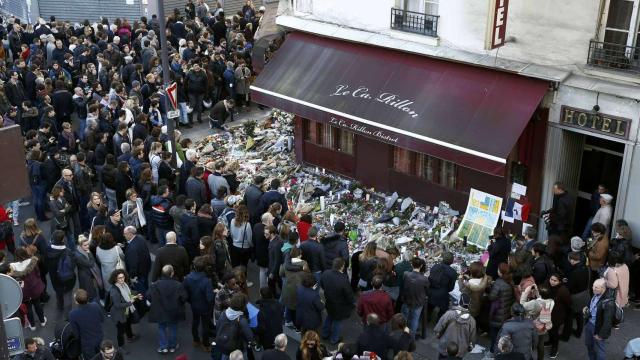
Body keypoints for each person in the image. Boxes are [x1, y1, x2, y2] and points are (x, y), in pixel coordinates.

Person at [147, 264, 187, 354]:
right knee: (173, 328)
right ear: (172, 273)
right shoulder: (178, 285)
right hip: (174, 311)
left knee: (161, 328)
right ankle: (173, 346)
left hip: (160, 311)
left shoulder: (155, 285)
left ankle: (163, 347)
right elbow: (184, 297)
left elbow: (148, 296)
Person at [183, 256, 215, 352]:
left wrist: (190, 301)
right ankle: (205, 344)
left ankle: (196, 340)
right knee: (205, 326)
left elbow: (185, 292)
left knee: (195, 322)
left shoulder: (188, 278)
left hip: (194, 304)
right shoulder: (206, 281)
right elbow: (210, 298)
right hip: (205, 307)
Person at [321, 257, 355, 344]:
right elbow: (349, 295)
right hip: (340, 306)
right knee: (337, 322)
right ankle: (334, 339)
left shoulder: (325, 273)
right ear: (342, 266)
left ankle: (324, 334)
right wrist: (352, 304)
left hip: (329, 301)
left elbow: (322, 284)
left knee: (329, 317)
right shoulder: (343, 279)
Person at [107, 269, 141, 352]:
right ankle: (120, 346)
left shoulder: (124, 285)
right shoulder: (114, 291)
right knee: (120, 331)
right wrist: (130, 302)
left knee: (128, 323)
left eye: (123, 277)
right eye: (119, 278)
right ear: (115, 279)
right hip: (119, 314)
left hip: (126, 311)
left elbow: (128, 293)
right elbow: (117, 305)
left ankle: (130, 336)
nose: (122, 279)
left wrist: (136, 295)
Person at [434, 294, 476, 359]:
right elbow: (472, 339)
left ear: (459, 301)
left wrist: (438, 335)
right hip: (460, 350)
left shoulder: (449, 314)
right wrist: (471, 346)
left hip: (446, 347)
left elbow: (438, 329)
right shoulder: (472, 321)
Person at [519, 284, 554, 360]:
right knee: (541, 344)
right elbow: (542, 300)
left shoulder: (534, 303)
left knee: (528, 343)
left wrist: (526, 292)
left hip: (534, 326)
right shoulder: (551, 301)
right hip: (543, 326)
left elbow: (522, 305)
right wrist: (538, 293)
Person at [584, 279, 616, 360]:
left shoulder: (609, 302)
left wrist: (601, 335)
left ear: (603, 288)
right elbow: (593, 303)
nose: (593, 288)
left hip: (598, 328)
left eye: (596, 287)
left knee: (600, 350)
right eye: (593, 286)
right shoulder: (597, 293)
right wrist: (587, 307)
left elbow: (608, 322)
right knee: (589, 345)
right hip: (589, 324)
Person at [216, 293, 254, 360]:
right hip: (237, 348)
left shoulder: (223, 313)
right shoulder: (242, 320)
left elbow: (218, 327)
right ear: (242, 306)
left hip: (224, 344)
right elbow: (250, 336)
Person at [45, 230, 76, 313]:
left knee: (58, 292)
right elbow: (72, 266)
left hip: (54, 278)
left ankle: (60, 306)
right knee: (67, 296)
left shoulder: (48, 249)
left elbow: (45, 262)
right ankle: (68, 313)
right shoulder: (68, 252)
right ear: (62, 240)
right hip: (67, 279)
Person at [69, 289, 104, 359]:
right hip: (99, 337)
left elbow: (76, 333)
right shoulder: (95, 305)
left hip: (87, 343)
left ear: (76, 301)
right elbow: (102, 319)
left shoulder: (73, 314)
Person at [488, 263, 515, 353]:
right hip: (506, 313)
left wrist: (490, 288)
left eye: (498, 270)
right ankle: (500, 350)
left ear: (501, 272)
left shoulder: (498, 283)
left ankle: (493, 351)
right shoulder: (510, 281)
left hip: (497, 314)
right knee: (501, 335)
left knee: (494, 335)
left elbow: (492, 297)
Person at [401, 257, 429, 337]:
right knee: (414, 320)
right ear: (421, 266)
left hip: (407, 300)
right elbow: (427, 291)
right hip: (418, 302)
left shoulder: (406, 274)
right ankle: (411, 337)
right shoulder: (424, 279)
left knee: (405, 318)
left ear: (412, 265)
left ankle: (403, 333)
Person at [565, 251, 590, 338]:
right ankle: (579, 332)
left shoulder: (575, 272)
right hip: (584, 295)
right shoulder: (586, 268)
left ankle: (566, 334)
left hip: (575, 297)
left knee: (569, 316)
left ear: (572, 260)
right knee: (579, 315)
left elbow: (570, 286)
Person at [428, 251, 458, 322]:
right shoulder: (453, 272)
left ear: (442, 259)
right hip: (442, 294)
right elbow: (451, 288)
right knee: (444, 309)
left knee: (429, 307)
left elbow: (430, 278)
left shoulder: (435, 266)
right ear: (452, 261)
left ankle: (427, 318)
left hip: (431, 292)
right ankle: (439, 322)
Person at [548, 273, 571, 358]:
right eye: (551, 279)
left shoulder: (563, 290)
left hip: (557, 315)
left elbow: (568, 303)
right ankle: (550, 341)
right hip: (549, 313)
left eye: (555, 281)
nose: (552, 282)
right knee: (549, 329)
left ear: (559, 281)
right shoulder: (549, 286)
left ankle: (555, 348)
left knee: (554, 332)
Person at [123, 226, 151, 293]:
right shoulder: (140, 238)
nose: (124, 235)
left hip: (138, 274)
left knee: (140, 290)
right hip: (145, 269)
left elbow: (133, 265)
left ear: (130, 234)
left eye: (125, 233)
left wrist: (132, 277)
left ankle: (145, 301)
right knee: (145, 286)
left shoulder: (132, 249)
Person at [73, 235, 101, 302]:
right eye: (85, 245)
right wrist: (90, 254)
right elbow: (91, 264)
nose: (87, 246)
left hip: (87, 273)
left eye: (88, 244)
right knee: (88, 291)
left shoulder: (83, 251)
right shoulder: (79, 256)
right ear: (80, 245)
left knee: (89, 289)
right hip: (84, 275)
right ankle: (89, 300)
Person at [256, 287, 285, 351]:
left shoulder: (261, 312)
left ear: (261, 296)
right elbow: (281, 315)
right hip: (279, 334)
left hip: (268, 339)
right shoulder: (278, 303)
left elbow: (261, 329)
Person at [254, 212, 273, 289]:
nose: (272, 221)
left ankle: (263, 289)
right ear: (268, 221)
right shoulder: (267, 230)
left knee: (262, 271)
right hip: (265, 254)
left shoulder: (256, 226)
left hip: (258, 252)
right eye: (271, 220)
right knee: (266, 271)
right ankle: (265, 289)